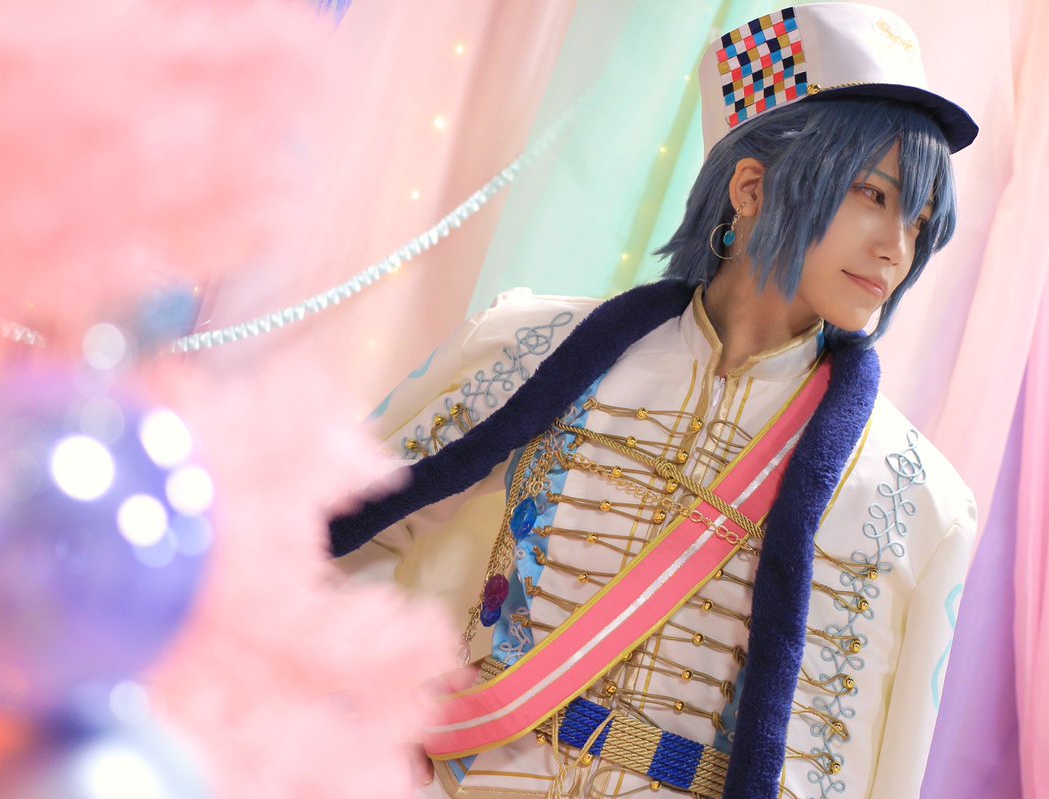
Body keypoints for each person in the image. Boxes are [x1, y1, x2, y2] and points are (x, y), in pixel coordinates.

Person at [331, 4, 979, 798]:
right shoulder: (522, 346)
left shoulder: (920, 500)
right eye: (872, 195)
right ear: (752, 187)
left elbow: (888, 770)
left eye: (920, 222)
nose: (896, 248)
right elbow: (325, 542)